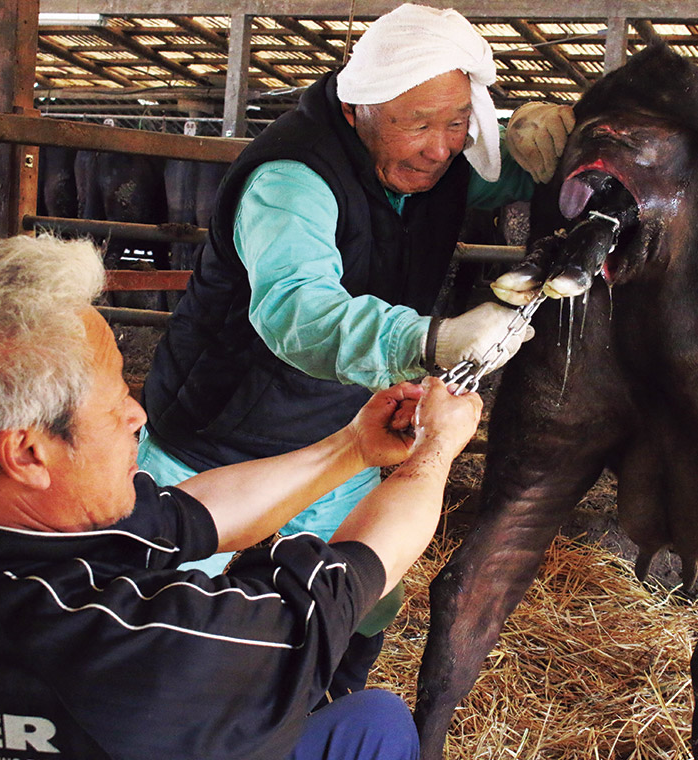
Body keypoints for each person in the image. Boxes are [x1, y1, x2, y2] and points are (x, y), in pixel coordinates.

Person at [0, 235, 482, 760]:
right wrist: (435, 450)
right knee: (377, 725)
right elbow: (344, 582)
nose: (138, 414)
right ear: (29, 454)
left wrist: (352, 447)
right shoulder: (137, 653)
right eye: (114, 404)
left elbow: (190, 515)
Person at [137, 3, 574, 695]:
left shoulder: (444, 159)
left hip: (346, 431)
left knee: (347, 613)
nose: (440, 146)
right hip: (222, 438)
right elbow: (297, 311)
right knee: (169, 630)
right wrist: (429, 341)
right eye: (416, 123)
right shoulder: (292, 178)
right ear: (355, 110)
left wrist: (554, 138)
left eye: (457, 122)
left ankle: (318, 716)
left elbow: (526, 172)